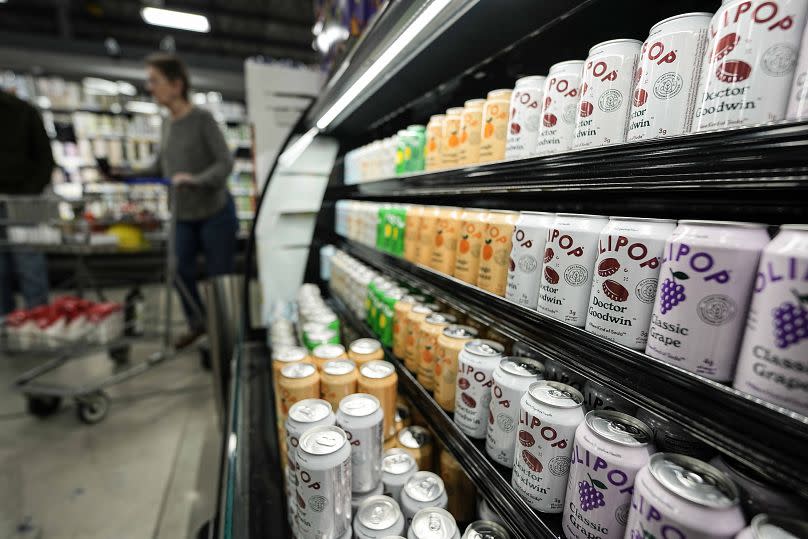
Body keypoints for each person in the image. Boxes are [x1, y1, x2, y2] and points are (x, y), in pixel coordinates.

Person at [138, 54, 237, 349]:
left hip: (214, 212)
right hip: (182, 214)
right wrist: (124, 174)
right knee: (179, 270)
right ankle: (199, 323)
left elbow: (225, 162)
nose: (150, 87)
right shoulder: (167, 124)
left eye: (155, 81)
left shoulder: (202, 119)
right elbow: (161, 166)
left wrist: (195, 180)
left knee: (220, 278)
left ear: (177, 84)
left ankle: (224, 336)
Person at [0, 90, 54, 315]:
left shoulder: (23, 111)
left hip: (23, 203)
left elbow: (45, 159)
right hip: (21, 198)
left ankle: (40, 325)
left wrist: (28, 193)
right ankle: (5, 330)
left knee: (30, 266)